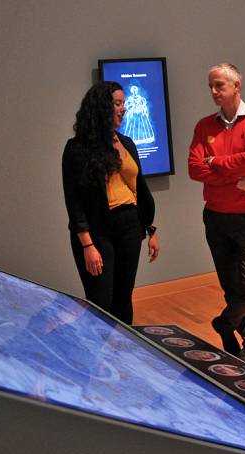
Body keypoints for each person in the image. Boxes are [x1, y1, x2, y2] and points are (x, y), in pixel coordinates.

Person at [62, 81, 160, 325]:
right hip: (98, 231)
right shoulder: (77, 148)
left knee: (123, 298)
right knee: (100, 301)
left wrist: (151, 229)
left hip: (129, 226)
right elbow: (74, 201)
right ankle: (93, 357)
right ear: (101, 107)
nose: (123, 109)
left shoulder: (126, 143)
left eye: (123, 103)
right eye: (117, 103)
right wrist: (87, 245)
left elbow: (139, 188)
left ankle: (122, 356)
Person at [188, 63, 245, 356]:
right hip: (215, 217)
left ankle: (224, 325)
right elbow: (194, 168)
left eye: (219, 85)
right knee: (231, 289)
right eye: (210, 86)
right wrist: (233, 171)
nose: (213, 91)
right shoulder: (204, 126)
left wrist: (216, 163)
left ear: (237, 86)